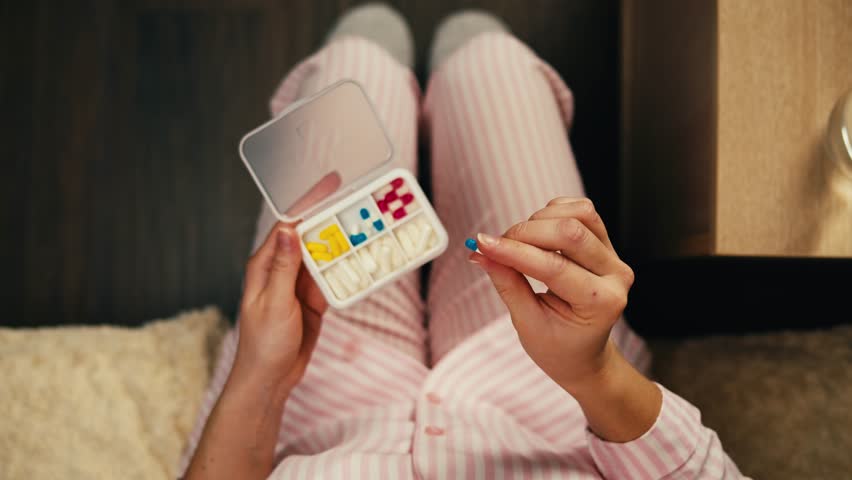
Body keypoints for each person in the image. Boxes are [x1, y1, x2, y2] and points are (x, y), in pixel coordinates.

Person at [180, 5, 746, 479]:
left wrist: (260, 378)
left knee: (358, 58)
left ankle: (399, 84)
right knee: (486, 58)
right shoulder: (572, 368)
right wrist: (593, 372)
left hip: (310, 382)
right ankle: (444, 87)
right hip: (548, 379)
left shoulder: (286, 370)